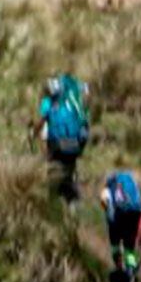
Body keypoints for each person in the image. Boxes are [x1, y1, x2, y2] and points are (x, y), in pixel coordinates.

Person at [38, 74, 90, 204]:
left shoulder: (47, 103)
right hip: (75, 144)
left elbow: (42, 124)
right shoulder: (73, 103)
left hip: (57, 145)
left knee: (54, 169)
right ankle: (73, 198)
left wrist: (34, 132)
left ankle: (53, 200)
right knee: (69, 168)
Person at [100, 170, 141, 282]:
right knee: (129, 249)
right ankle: (131, 272)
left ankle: (120, 271)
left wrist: (108, 215)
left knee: (115, 246)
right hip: (132, 219)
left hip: (116, 222)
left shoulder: (108, 189)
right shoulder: (131, 185)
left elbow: (104, 203)